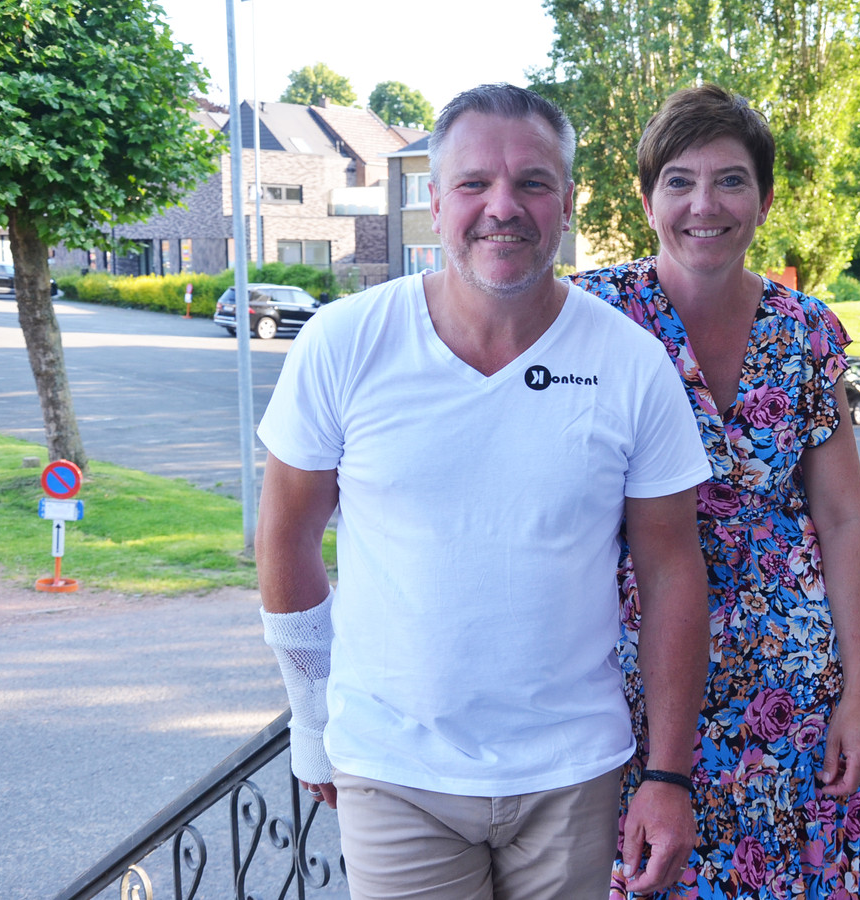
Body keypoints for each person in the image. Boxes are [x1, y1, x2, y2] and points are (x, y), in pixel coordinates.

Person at [254, 84, 713, 900]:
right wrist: (312, 717)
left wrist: (669, 776)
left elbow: (674, 572)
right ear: (435, 201)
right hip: (394, 772)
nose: (503, 207)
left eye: (533, 182)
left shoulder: (633, 363)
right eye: (474, 184)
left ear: (569, 202)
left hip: (572, 772)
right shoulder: (344, 343)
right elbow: (287, 536)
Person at [571, 84, 860, 899]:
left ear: (765, 198)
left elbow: (845, 517)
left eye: (730, 180)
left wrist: (859, 695)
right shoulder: (591, 317)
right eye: (678, 181)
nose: (702, 204)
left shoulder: (803, 329)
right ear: (646, 201)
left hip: (791, 696)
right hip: (634, 687)